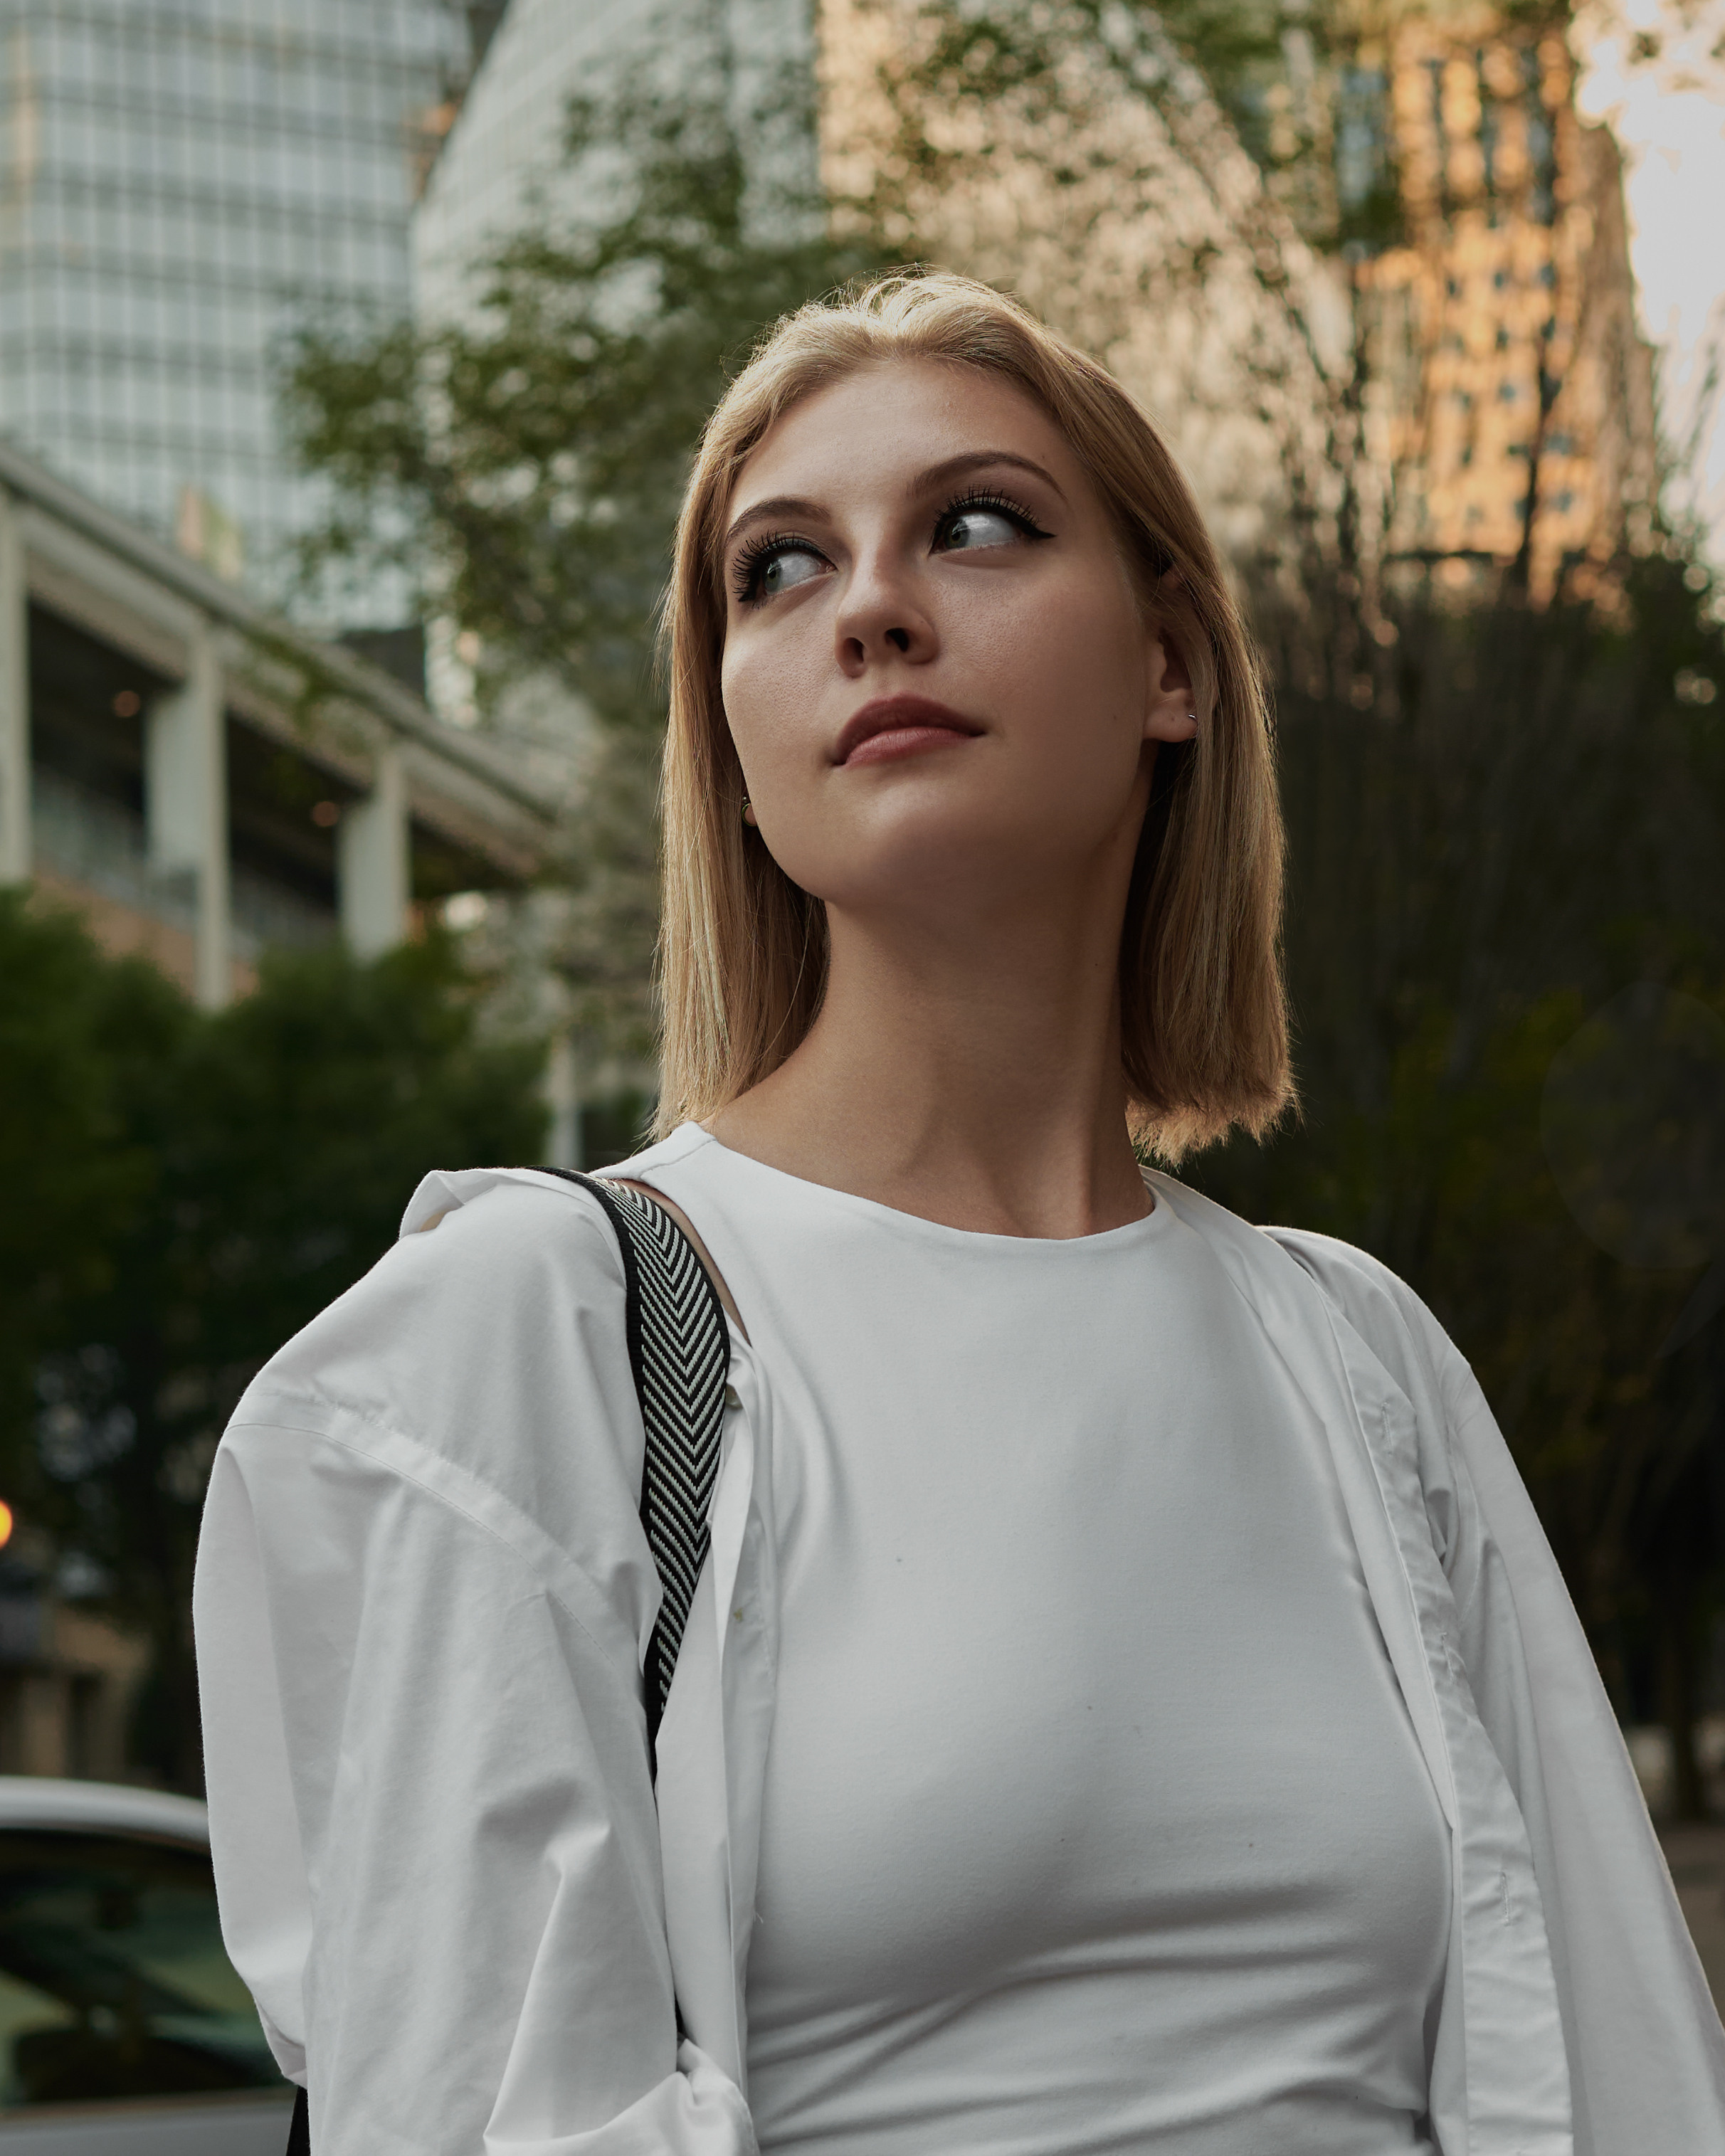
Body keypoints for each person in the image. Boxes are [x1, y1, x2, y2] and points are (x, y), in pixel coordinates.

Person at [194, 271, 1725, 2156]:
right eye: (777, 570)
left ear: (1170, 667)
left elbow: (1618, 2067)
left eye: (977, 525)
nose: (870, 609)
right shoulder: (531, 1343)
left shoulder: (1355, 1354)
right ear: (731, 744)